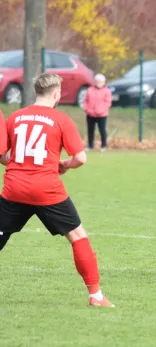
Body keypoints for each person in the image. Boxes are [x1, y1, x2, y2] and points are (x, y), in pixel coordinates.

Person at [0, 73, 115, 307]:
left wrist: (22, 164)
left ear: (36, 92)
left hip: (14, 188)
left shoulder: (15, 117)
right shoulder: (61, 120)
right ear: (56, 94)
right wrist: (64, 164)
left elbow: (3, 155)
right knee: (77, 237)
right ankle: (95, 296)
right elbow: (80, 158)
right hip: (47, 190)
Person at [83, 73, 112, 152]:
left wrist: (101, 111)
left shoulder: (107, 91)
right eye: (97, 81)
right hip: (90, 114)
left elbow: (108, 103)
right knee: (90, 130)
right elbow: (85, 101)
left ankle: (103, 145)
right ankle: (90, 146)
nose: (99, 83)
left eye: (101, 81)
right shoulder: (90, 90)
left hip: (102, 115)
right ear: (95, 82)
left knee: (102, 130)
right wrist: (87, 109)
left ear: (104, 82)